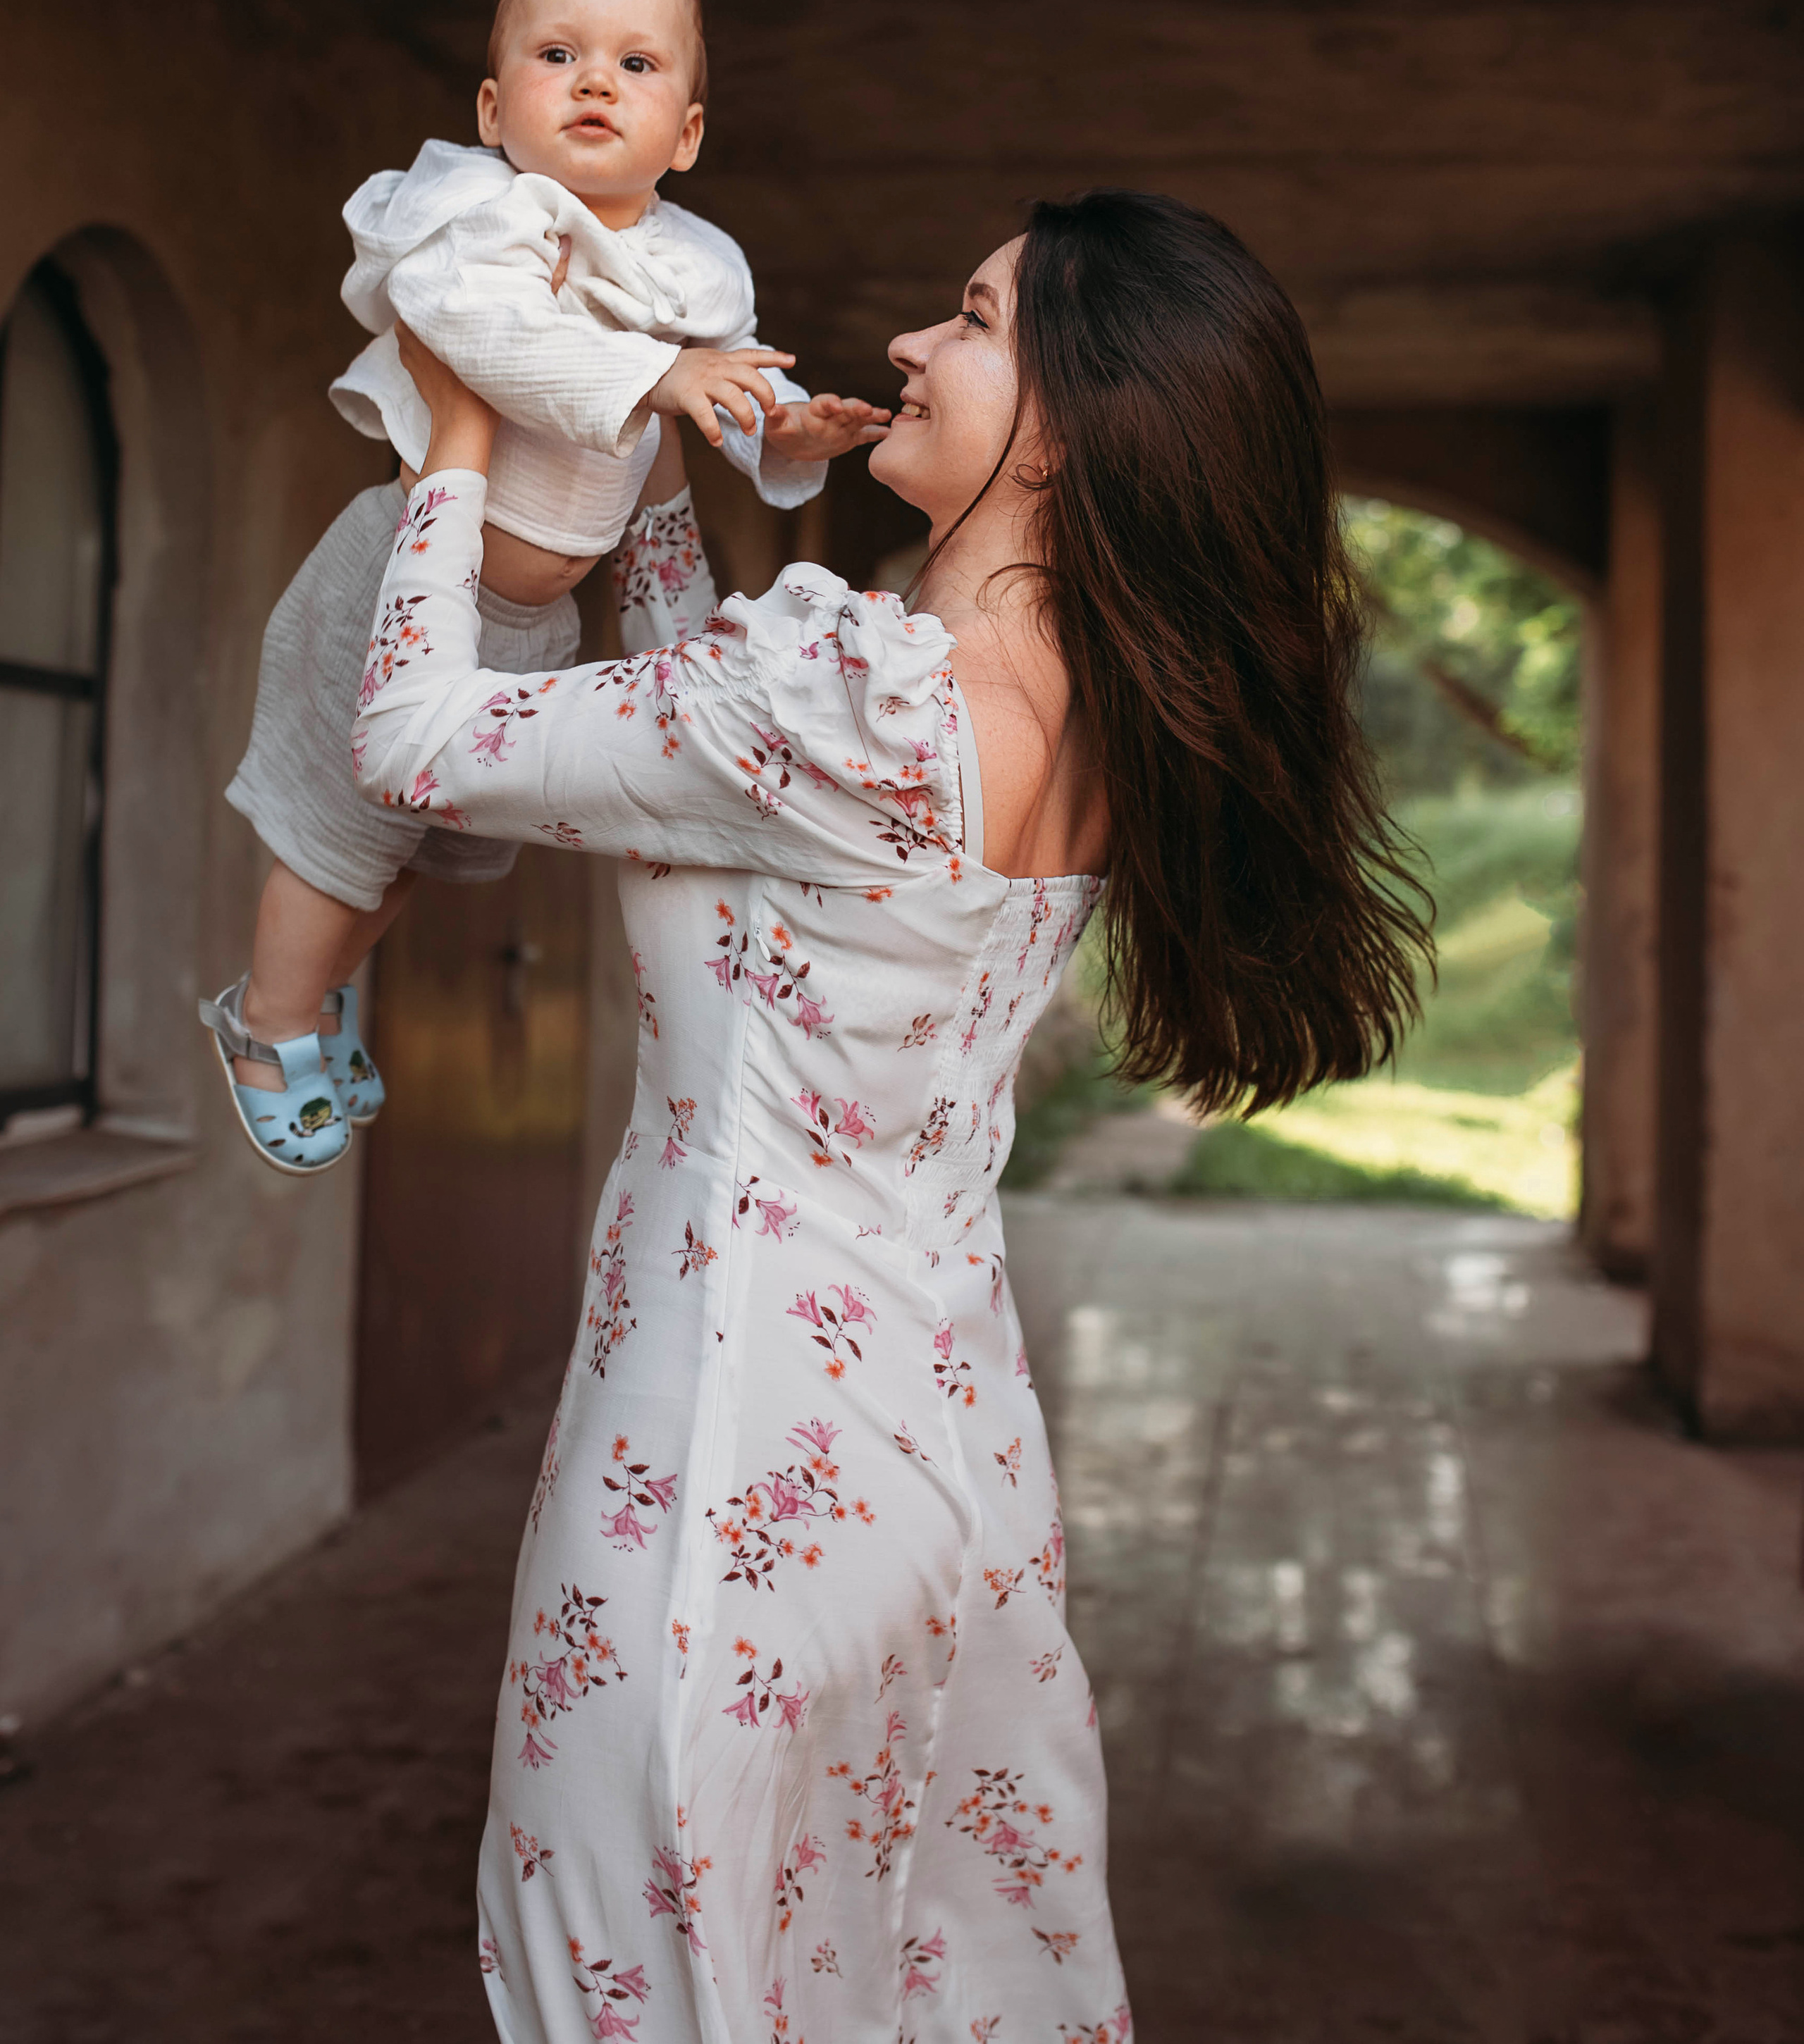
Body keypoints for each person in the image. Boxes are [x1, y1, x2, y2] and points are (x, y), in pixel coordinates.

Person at [352, 190, 1429, 2043]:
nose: (917, 347)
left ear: (1081, 415)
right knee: (909, 1973)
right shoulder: (1050, 697)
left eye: (975, 314)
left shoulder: (847, 700)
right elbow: (699, 764)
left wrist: (462, 424)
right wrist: (661, 463)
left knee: (642, 1958)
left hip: (726, 1452)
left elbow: (416, 738)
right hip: (942, 1452)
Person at [203, 0, 886, 1172]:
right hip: (404, 586)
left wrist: (788, 434)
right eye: (557, 51)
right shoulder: (476, 218)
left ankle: (312, 1003)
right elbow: (498, 340)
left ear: (684, 133)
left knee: (413, 854)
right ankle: (271, 1020)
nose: (592, 82)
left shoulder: (694, 267)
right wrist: (666, 376)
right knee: (341, 846)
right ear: (490, 103)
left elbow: (706, 405)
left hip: (529, 629)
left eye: (636, 64)